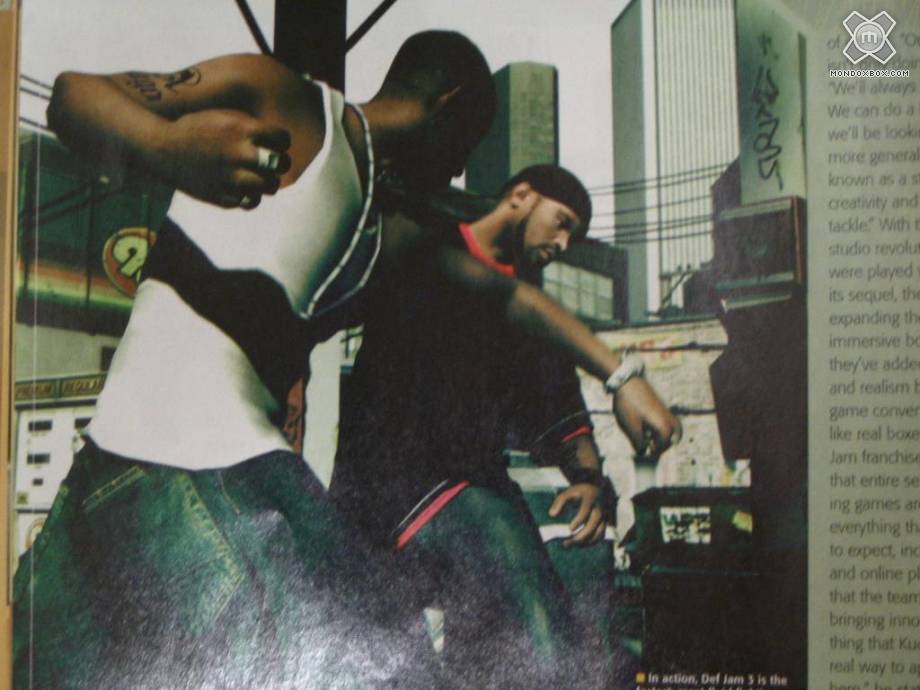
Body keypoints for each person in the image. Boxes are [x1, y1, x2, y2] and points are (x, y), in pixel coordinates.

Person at [13, 32, 496, 690]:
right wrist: (167, 147)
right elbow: (75, 94)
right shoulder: (294, 103)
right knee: (390, 662)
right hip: (198, 471)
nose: (456, 171)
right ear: (450, 103)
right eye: (465, 147)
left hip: (123, 472)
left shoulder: (372, 229)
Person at [329, 165, 681, 687]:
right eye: (561, 223)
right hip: (390, 480)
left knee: (568, 583)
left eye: (573, 236)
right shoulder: (428, 245)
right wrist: (623, 377)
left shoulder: (531, 300)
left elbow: (558, 401)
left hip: (474, 482)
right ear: (521, 195)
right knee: (535, 632)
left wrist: (588, 479)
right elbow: (504, 302)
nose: (563, 244)